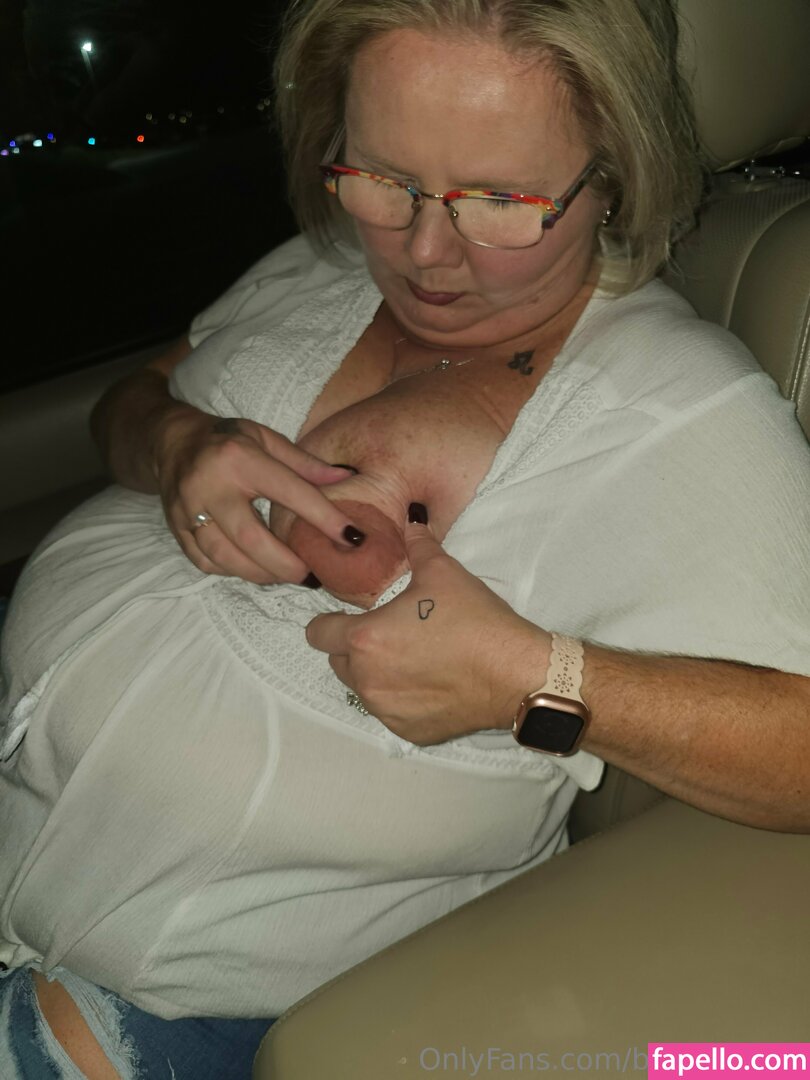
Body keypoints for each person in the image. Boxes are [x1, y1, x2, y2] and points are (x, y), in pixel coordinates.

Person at [2, 0, 810, 1075]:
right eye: (383, 178)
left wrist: (536, 682)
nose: (425, 252)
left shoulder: (677, 403)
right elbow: (129, 401)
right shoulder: (318, 267)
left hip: (164, 1009)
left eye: (502, 200)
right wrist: (174, 441)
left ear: (615, 173)